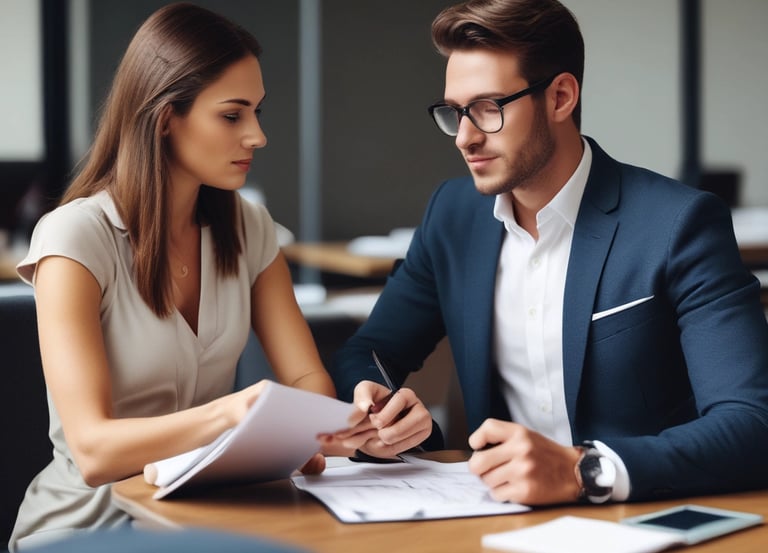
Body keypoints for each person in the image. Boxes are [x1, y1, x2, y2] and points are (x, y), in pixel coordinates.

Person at [330, 0, 768, 506]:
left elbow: (753, 423)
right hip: (495, 516)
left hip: (642, 513)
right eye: (456, 112)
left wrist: (583, 469)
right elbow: (368, 353)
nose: (466, 137)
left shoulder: (679, 223)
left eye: (489, 108)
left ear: (560, 97)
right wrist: (383, 413)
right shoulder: (452, 216)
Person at [10, 3, 359, 551]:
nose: (257, 136)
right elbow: (94, 451)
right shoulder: (75, 238)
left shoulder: (250, 228)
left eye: (257, 112)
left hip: (208, 513)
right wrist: (233, 414)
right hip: (87, 527)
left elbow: (306, 380)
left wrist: (323, 430)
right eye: (232, 115)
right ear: (165, 117)